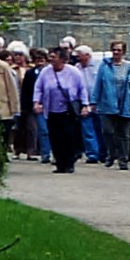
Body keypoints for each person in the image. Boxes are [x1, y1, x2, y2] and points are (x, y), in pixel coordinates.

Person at [34, 44, 90, 173]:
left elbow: (82, 89)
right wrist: (37, 102)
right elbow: (38, 88)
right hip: (51, 109)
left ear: (62, 59)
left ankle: (69, 163)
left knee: (68, 136)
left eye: (54, 57)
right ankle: (59, 163)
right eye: (51, 57)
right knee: (55, 137)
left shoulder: (73, 72)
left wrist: (85, 105)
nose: (51, 59)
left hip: (68, 110)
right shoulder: (45, 71)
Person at [88, 40, 130, 169]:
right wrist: (93, 102)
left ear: (123, 52)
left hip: (125, 104)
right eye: (114, 50)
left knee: (124, 134)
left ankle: (123, 160)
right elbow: (98, 84)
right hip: (107, 103)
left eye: (119, 50)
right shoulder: (104, 66)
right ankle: (111, 154)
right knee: (107, 131)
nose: (116, 52)